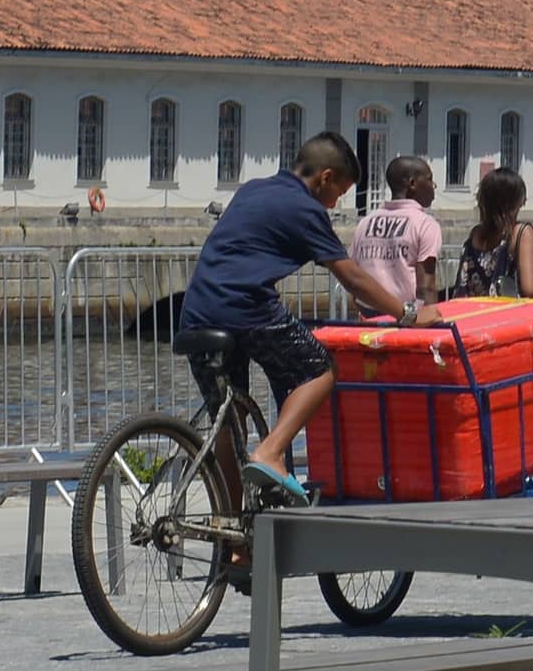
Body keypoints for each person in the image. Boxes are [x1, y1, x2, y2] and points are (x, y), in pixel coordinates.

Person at [176, 129, 422, 501]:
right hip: (246, 306)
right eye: (337, 194)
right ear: (325, 178)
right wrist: (406, 314)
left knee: (228, 422)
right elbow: (350, 275)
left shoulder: (252, 189)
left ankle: (229, 534)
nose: (333, 204)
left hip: (196, 310)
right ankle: (271, 452)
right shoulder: (304, 208)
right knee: (319, 371)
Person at [349, 155, 447, 309]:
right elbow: (426, 287)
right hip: (405, 318)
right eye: (429, 179)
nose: (433, 186)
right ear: (412, 183)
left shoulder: (365, 223)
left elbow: (354, 278)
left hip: (368, 318)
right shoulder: (425, 224)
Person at [449, 166, 533, 299]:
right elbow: (530, 288)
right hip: (508, 314)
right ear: (513, 202)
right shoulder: (521, 233)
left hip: (473, 313)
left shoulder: (476, 234)